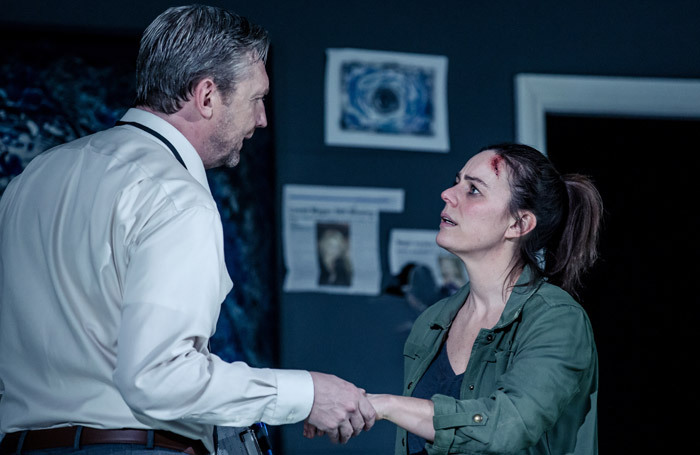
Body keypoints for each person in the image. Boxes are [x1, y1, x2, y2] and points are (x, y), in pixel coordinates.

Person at [0, 5, 374, 455]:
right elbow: (158, 377)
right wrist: (307, 394)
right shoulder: (175, 197)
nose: (262, 120)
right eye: (256, 99)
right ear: (207, 95)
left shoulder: (33, 178)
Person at [309, 143, 602, 454]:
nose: (448, 194)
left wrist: (384, 405)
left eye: (473, 189)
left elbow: (506, 428)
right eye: (457, 180)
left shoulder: (557, 318)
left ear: (518, 224)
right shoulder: (434, 321)